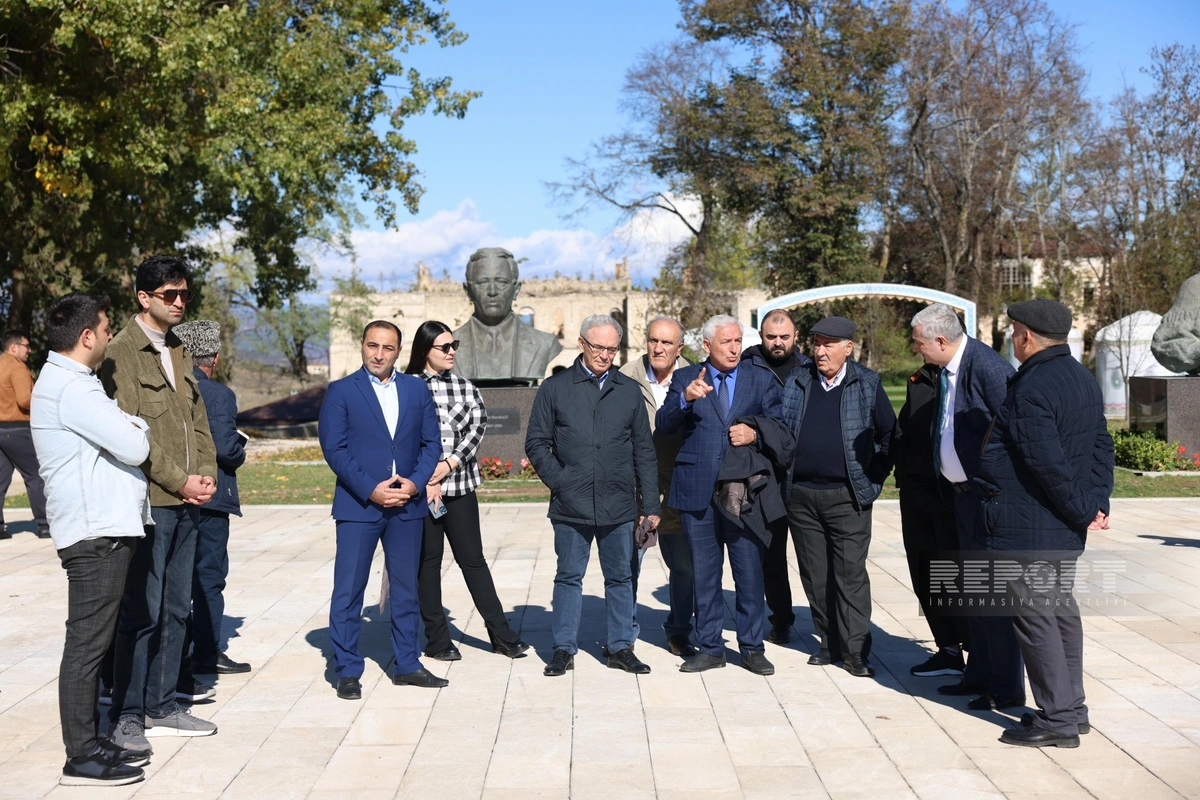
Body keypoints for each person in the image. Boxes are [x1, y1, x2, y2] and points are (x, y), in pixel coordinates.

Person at [977, 299, 1113, 748]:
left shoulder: (1033, 386)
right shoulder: (1080, 377)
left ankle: (1057, 720)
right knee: (1060, 614)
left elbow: (1046, 464)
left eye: (1014, 331)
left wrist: (1082, 508)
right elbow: (1102, 446)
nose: (1012, 339)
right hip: (1058, 524)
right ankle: (1072, 709)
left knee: (1037, 622)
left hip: (1031, 524)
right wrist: (1097, 502)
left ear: (1027, 336)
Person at [32, 294, 152, 786]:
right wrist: (135, 423)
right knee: (86, 647)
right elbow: (134, 445)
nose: (109, 336)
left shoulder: (71, 382)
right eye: (105, 329)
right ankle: (79, 757)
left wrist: (124, 426)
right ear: (86, 337)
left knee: (91, 644)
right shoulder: (74, 388)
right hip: (94, 532)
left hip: (98, 527)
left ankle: (90, 741)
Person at [100, 255, 218, 751]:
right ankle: (127, 713)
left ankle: (163, 703)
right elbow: (130, 434)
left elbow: (198, 420)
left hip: (189, 499)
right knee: (141, 611)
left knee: (175, 608)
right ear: (143, 297)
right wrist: (179, 481)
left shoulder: (179, 348)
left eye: (184, 293)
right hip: (150, 501)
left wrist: (206, 474)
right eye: (170, 294)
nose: (179, 302)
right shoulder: (121, 352)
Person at [526, 314, 660, 677]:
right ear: (582, 343)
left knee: (621, 578)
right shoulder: (555, 388)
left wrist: (650, 506)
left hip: (619, 504)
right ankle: (563, 649)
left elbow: (644, 451)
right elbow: (536, 443)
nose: (604, 355)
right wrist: (562, 482)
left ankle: (620, 647)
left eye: (612, 349)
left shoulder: (628, 391)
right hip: (572, 504)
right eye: (598, 347)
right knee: (569, 577)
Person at [319, 320, 444, 699]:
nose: (379, 354)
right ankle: (347, 669)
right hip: (359, 506)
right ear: (362, 345)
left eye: (387, 348)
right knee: (349, 589)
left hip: (407, 505)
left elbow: (431, 444)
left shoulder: (416, 389)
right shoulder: (341, 391)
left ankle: (407, 663)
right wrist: (371, 490)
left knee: (406, 589)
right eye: (372, 345)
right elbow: (334, 449)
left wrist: (416, 483)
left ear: (399, 352)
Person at [656, 314, 785, 676]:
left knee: (749, 572)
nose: (734, 348)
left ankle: (752, 647)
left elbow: (780, 426)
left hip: (742, 492)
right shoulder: (686, 377)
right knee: (705, 574)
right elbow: (664, 424)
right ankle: (711, 647)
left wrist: (754, 434)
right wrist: (685, 399)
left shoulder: (760, 378)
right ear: (706, 345)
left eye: (738, 341)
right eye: (726, 342)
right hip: (696, 490)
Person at [909, 304, 1024, 710]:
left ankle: (1005, 687)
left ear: (941, 341)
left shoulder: (988, 368)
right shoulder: (948, 368)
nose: (916, 348)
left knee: (993, 598)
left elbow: (1015, 432)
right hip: (960, 497)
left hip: (987, 499)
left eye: (919, 342)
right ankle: (978, 675)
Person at [404, 320, 530, 661]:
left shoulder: (465, 387)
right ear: (424, 350)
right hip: (421, 492)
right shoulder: (406, 387)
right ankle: (437, 640)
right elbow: (402, 437)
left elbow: (477, 428)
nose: (452, 352)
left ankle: (502, 635)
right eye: (444, 347)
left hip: (459, 487)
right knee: (428, 563)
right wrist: (427, 478)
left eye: (454, 345)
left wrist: (448, 465)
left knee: (473, 560)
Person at [780, 316, 895, 678]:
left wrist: (874, 477)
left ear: (848, 347)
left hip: (847, 497)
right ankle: (829, 641)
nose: (820, 351)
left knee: (849, 575)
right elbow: (783, 427)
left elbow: (889, 436)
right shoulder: (797, 380)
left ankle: (856, 650)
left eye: (828, 345)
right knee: (815, 576)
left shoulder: (866, 383)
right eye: (816, 344)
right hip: (801, 497)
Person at [171, 320, 252, 686]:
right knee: (209, 575)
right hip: (211, 496)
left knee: (178, 576)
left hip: (174, 493)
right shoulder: (217, 394)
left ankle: (178, 653)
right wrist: (240, 448)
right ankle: (206, 652)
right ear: (214, 358)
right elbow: (225, 449)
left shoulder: (170, 386)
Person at [619, 316, 695, 657]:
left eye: (667, 342)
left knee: (684, 567)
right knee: (628, 566)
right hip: (637, 490)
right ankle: (623, 633)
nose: (659, 348)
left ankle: (679, 630)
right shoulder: (626, 377)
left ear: (680, 347)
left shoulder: (696, 376)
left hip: (680, 488)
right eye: (653, 340)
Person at [892, 357, 970, 677]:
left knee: (960, 575)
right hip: (917, 493)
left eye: (919, 340)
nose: (915, 346)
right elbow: (903, 430)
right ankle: (948, 648)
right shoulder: (919, 379)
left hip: (957, 496)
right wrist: (903, 475)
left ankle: (979, 652)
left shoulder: (969, 375)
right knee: (925, 573)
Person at [740, 309, 812, 644]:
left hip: (803, 476)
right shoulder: (747, 366)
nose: (778, 342)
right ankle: (781, 618)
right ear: (761, 336)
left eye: (784, 337)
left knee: (813, 557)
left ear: (795, 337)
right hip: (764, 475)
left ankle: (828, 624)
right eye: (771, 336)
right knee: (770, 555)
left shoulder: (809, 368)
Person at [452, 247, 563, 382]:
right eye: (482, 282)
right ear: (468, 290)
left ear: (516, 289)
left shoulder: (544, 343)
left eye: (502, 282)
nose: (492, 291)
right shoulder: (449, 345)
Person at [0, 328, 50, 539]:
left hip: (1, 429)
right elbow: (24, 400)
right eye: (26, 346)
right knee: (35, 476)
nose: (29, 350)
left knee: (0, 480)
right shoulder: (17, 368)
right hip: (19, 429)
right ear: (14, 347)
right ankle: (45, 525)